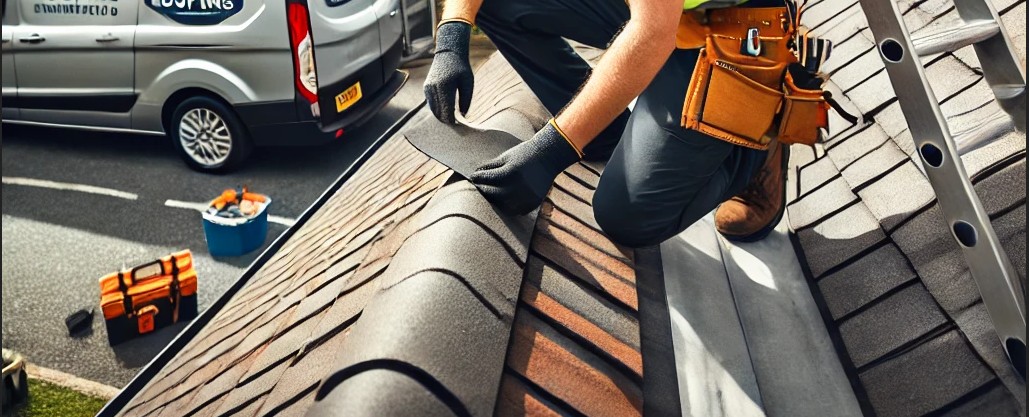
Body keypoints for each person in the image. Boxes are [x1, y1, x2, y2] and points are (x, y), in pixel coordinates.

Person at [423, 0, 791, 248]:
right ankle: (601, 132)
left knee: (628, 216)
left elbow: (653, 32)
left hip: (734, 25)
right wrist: (453, 33)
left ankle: (753, 145)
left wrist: (552, 150)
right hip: (657, 12)